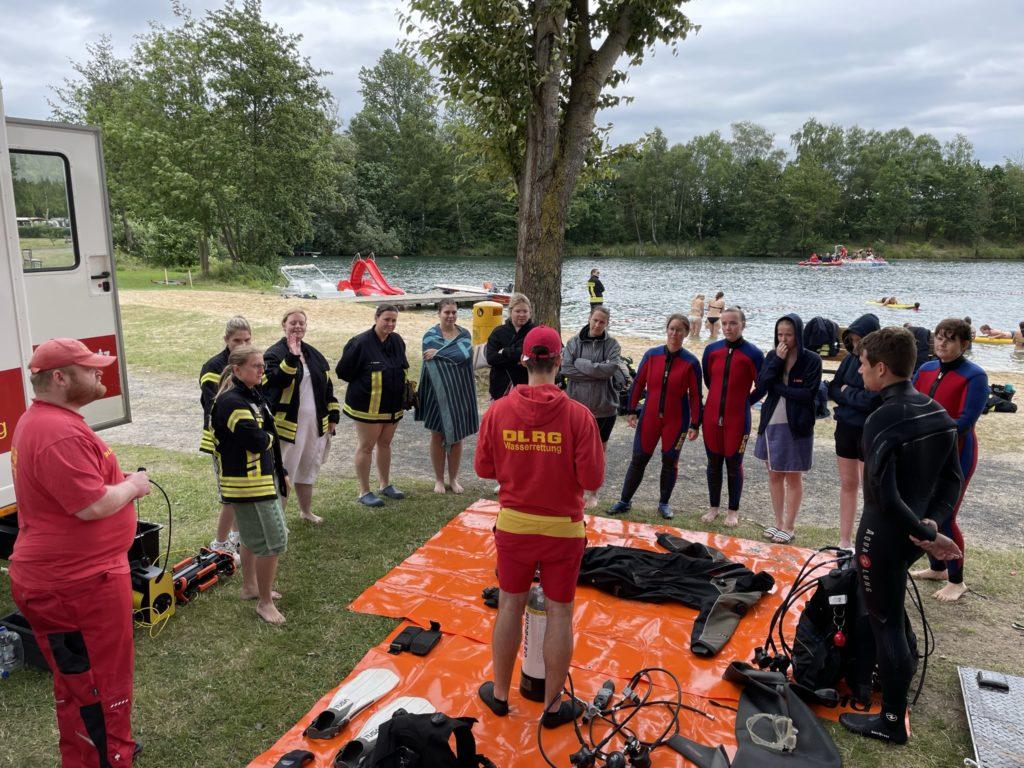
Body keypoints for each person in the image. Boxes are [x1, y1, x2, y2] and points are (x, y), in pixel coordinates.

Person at [9, 338, 151, 766]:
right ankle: (110, 754)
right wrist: (133, 486)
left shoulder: (53, 422)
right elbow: (90, 506)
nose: (99, 374)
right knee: (101, 687)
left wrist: (116, 481)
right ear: (59, 377)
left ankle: (90, 750)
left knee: (79, 681)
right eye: (89, 369)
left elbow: (82, 488)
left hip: (75, 580)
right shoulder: (56, 432)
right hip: (77, 586)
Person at [474, 325, 604, 727]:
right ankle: (551, 707)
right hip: (563, 529)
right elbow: (592, 479)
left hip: (514, 526)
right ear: (560, 363)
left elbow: (484, 468)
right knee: (561, 613)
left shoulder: (498, 410)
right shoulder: (579, 416)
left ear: (524, 361)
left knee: (510, 604)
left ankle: (499, 693)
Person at [838, 327, 963, 745]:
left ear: (881, 368)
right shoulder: (936, 411)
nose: (858, 369)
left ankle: (891, 720)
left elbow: (883, 496)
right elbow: (952, 480)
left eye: (862, 363)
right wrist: (931, 526)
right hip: (910, 536)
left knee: (885, 623)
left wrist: (927, 533)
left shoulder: (882, 418)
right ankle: (896, 683)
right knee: (891, 609)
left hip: (883, 536)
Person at [910, 318, 988, 602]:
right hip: (925, 453)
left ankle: (957, 580)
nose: (942, 343)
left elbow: (965, 420)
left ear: (963, 344)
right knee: (923, 512)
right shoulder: (926, 369)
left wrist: (924, 430)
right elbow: (911, 403)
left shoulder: (974, 375)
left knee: (946, 515)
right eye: (939, 337)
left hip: (957, 454)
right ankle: (938, 568)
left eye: (950, 339)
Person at [210, 345, 290, 624]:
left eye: (261, 365)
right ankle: (264, 603)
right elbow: (256, 441)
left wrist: (280, 469)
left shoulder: (249, 395)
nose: (262, 369)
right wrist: (267, 437)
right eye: (255, 365)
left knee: (252, 538)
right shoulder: (233, 401)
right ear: (237, 370)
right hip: (249, 483)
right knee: (274, 541)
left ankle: (251, 587)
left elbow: (262, 437)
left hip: (254, 480)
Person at [609, 314, 703, 520]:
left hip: (677, 419)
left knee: (670, 460)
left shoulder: (691, 362)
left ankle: (664, 503)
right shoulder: (652, 355)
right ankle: (625, 500)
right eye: (672, 328)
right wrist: (632, 410)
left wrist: (696, 423)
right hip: (650, 416)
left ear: (686, 333)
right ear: (666, 329)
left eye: (679, 330)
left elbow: (696, 395)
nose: (674, 333)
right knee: (639, 458)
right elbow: (638, 384)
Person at [263, 309, 339, 524]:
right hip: (287, 426)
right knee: (284, 473)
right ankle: (279, 521)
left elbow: (327, 388)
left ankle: (306, 511)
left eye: (301, 323)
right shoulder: (274, 354)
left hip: (314, 425)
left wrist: (333, 415)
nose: (297, 327)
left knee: (308, 469)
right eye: (293, 323)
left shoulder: (314, 354)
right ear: (284, 325)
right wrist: (291, 358)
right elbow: (273, 383)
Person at [753, 314, 822, 544]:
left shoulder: (811, 359)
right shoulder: (773, 355)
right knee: (774, 474)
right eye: (780, 334)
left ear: (798, 335)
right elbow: (762, 384)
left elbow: (807, 394)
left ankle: (790, 526)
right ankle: (779, 523)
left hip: (797, 423)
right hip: (771, 419)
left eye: (789, 335)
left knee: (793, 475)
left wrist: (780, 387)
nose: (784, 339)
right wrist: (776, 362)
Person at [337, 304, 409, 507]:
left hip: (392, 406)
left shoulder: (396, 341)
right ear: (376, 318)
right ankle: (364, 491)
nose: (390, 324)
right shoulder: (359, 342)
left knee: (385, 444)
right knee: (366, 446)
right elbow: (343, 371)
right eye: (386, 319)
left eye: (394, 320)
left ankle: (385, 484)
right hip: (367, 406)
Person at [700, 307, 764, 527]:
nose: (728, 327)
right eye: (724, 323)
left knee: (734, 465)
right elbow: (709, 380)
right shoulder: (711, 351)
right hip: (710, 416)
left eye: (733, 323)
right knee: (713, 463)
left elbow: (762, 386)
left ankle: (733, 511)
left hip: (738, 419)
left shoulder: (754, 353)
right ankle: (713, 507)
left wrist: (745, 402)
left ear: (743, 325)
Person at [560, 305, 624, 508]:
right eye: (595, 320)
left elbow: (610, 369)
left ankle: (594, 493)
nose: (597, 325)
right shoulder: (573, 342)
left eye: (602, 322)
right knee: (572, 451)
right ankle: (573, 490)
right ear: (589, 318)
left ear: (607, 323)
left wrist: (581, 363)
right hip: (576, 406)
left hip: (605, 407)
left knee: (598, 453)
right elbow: (566, 369)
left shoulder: (612, 344)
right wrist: (596, 370)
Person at [827, 313, 881, 550]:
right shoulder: (849, 359)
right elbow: (833, 389)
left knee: (871, 488)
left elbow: (874, 400)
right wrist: (851, 394)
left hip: (869, 430)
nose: (857, 343)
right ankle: (844, 539)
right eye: (853, 338)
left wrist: (848, 394)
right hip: (846, 428)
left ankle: (866, 541)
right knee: (848, 483)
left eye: (861, 339)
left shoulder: (879, 363)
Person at [200, 315, 252, 552]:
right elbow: (212, 405)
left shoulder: (251, 362)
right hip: (223, 441)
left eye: (247, 340)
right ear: (226, 340)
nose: (242, 345)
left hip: (245, 437)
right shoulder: (213, 367)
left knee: (243, 494)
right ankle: (220, 544)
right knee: (230, 496)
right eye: (236, 341)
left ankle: (236, 536)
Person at [416, 299, 478, 494]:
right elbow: (429, 357)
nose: (451, 316)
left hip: (459, 392)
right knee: (437, 434)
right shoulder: (430, 335)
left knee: (458, 436)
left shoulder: (464, 334)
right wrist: (446, 355)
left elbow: (464, 356)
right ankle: (438, 480)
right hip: (437, 393)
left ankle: (453, 479)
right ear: (439, 314)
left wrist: (440, 354)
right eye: (447, 312)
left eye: (454, 312)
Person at [485, 293, 536, 401]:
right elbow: (491, 358)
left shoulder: (535, 332)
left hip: (526, 384)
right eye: (518, 311)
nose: (522, 315)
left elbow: (533, 355)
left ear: (530, 313)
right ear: (510, 312)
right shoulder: (498, 332)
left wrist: (505, 352)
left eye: (525, 311)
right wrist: (519, 359)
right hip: (500, 385)